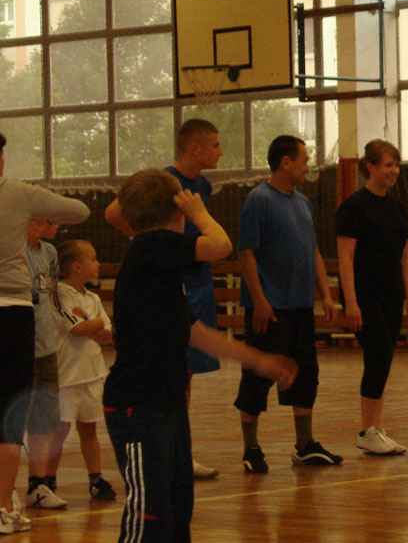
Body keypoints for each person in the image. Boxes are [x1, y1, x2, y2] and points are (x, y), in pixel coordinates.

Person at [103, 168, 297, 542]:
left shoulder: (158, 269)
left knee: (177, 507)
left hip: (166, 403)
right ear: (177, 210)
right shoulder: (151, 245)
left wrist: (258, 360)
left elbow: (196, 333)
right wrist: (199, 212)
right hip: (138, 406)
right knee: (149, 512)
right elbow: (220, 245)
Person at [105, 118, 225, 479]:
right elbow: (113, 212)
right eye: (215, 145)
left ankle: (178, 445)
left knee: (184, 368)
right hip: (174, 276)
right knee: (169, 363)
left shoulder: (202, 184)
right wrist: (150, 242)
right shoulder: (164, 181)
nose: (220, 152)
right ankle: (170, 445)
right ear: (195, 148)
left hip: (195, 277)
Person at [0, 132, 89, 536]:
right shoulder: (17, 193)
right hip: (11, 312)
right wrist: (32, 205)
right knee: (7, 418)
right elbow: (79, 211)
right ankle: (3, 506)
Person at [235, 135, 340, 473]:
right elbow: (246, 254)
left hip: (300, 307)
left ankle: (304, 445)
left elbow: (313, 251)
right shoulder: (258, 200)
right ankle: (251, 448)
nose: (308, 167)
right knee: (258, 376)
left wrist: (326, 295)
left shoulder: (303, 202)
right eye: (304, 160)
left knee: (306, 374)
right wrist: (260, 301)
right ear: (286, 162)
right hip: (270, 309)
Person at [336, 139, 408, 456]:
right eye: (388, 165)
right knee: (379, 354)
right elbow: (345, 258)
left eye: (396, 165)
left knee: (383, 358)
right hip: (364, 294)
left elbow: (405, 257)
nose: (394, 171)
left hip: (391, 295)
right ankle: (366, 430)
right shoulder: (354, 207)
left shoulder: (397, 207)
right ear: (370, 167)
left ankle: (376, 427)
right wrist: (351, 302)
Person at [49, 240, 116, 502]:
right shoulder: (59, 293)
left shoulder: (93, 298)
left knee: (89, 430)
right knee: (60, 432)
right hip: (67, 377)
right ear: (77, 266)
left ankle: (96, 479)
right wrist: (92, 323)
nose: (98, 264)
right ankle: (46, 480)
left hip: (91, 374)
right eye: (93, 258)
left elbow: (106, 335)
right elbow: (76, 329)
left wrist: (89, 323)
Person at [23, 220, 67, 509]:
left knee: (44, 418)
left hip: (46, 347)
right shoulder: (12, 251)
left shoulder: (50, 252)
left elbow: (49, 294)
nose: (57, 224)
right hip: (18, 346)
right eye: (50, 219)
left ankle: (36, 486)